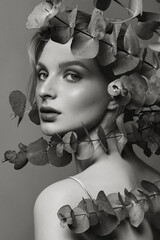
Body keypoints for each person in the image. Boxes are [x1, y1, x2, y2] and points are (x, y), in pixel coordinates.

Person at [21, 1, 160, 239]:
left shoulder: (62, 202)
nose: (44, 90)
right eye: (43, 74)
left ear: (117, 91)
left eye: (72, 75)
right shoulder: (155, 185)